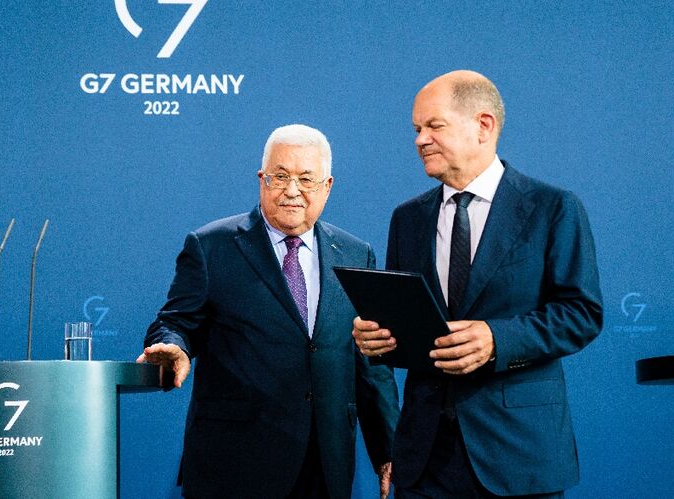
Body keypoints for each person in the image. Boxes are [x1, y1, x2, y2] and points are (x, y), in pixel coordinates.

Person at [354, 70, 603, 498]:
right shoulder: (407, 219)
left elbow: (581, 313)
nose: (419, 140)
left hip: (517, 455)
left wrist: (496, 338)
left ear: (483, 125)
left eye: (434, 126)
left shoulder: (552, 207)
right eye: (416, 129)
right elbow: (413, 325)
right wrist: (378, 340)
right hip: (425, 458)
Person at [138, 124, 400, 499]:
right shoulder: (212, 246)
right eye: (280, 176)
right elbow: (176, 321)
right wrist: (173, 346)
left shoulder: (356, 254)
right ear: (262, 179)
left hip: (327, 463)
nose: (292, 191)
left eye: (306, 179)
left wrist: (387, 448)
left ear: (327, 186)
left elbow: (372, 361)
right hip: (236, 461)